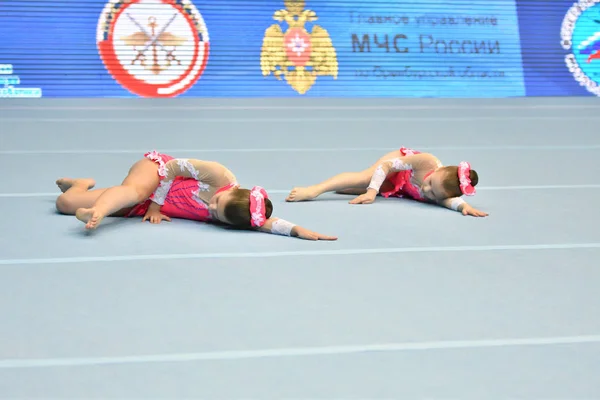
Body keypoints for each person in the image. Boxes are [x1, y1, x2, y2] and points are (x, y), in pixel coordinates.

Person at [55, 151, 338, 240]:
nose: (211, 209)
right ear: (233, 192)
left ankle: (80, 184)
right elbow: (172, 166)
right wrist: (154, 204)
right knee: (132, 191)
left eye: (215, 215)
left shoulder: (239, 215)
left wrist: (304, 232)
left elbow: (270, 223)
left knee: (65, 203)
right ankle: (98, 214)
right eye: (216, 202)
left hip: (144, 206)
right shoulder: (219, 176)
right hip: (156, 176)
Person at [286, 147, 488, 217]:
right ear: (440, 170)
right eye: (430, 183)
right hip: (396, 167)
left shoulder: (442, 194)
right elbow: (386, 167)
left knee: (346, 190)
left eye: (433, 194)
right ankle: (313, 190)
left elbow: (448, 201)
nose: (426, 190)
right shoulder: (427, 161)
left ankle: (365, 188)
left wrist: (463, 206)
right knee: (365, 179)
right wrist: (372, 191)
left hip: (401, 188)